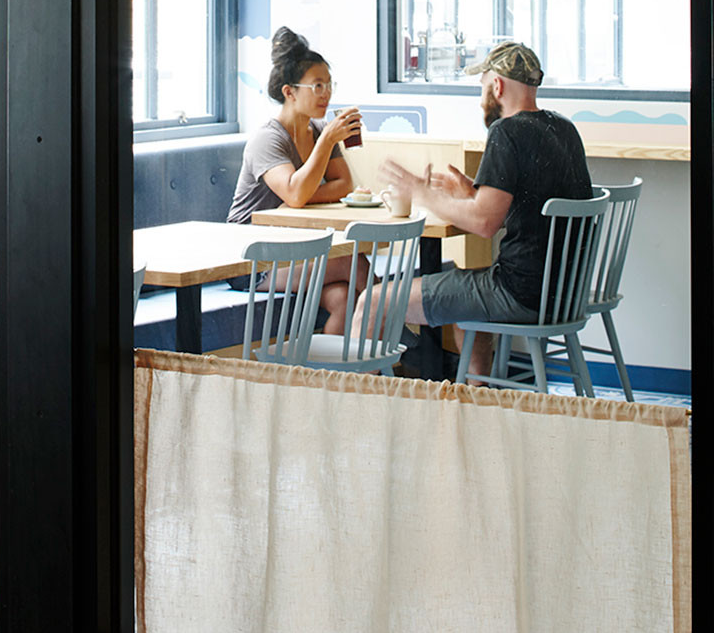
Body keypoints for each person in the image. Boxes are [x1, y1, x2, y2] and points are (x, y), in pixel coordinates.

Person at [357, 40, 591, 379]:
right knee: (468, 309)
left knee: (374, 301)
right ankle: (477, 398)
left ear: (497, 86)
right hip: (563, 295)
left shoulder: (506, 131)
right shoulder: (564, 129)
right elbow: (529, 210)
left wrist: (421, 192)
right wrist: (473, 193)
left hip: (518, 294)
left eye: (482, 86)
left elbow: (484, 224)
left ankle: (356, 406)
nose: (481, 96)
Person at [228, 25, 368, 335]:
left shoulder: (317, 131)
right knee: (352, 261)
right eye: (317, 86)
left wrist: (298, 197)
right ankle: (398, 324)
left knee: (344, 299)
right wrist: (326, 144)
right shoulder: (268, 139)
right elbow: (294, 193)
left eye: (329, 85)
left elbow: (343, 185)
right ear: (289, 92)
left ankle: (329, 369)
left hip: (290, 251)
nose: (326, 93)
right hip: (249, 261)